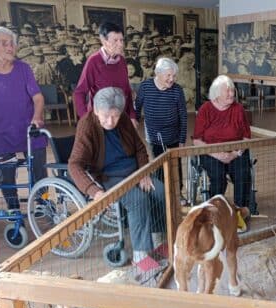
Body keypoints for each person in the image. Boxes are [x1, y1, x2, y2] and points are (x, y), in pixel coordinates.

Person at [68, 87, 166, 271]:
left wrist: (144, 172)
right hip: (108, 176)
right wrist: (93, 190)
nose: (110, 121)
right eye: (105, 116)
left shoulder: (123, 122)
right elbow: (74, 164)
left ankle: (158, 239)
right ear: (96, 110)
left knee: (160, 191)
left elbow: (139, 148)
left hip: (134, 171)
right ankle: (140, 254)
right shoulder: (87, 125)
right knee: (138, 200)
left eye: (115, 116)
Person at [0, 26, 47, 211]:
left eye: (12, 43)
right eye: (4, 43)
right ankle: (13, 207)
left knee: (39, 166)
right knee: (6, 171)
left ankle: (42, 202)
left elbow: (38, 97)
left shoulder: (23, 68)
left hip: (28, 127)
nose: (11, 47)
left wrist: (37, 116)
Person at [193, 75, 251, 232]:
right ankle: (216, 212)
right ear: (217, 93)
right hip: (211, 153)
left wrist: (233, 154)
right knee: (217, 177)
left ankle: (239, 212)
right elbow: (197, 140)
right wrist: (217, 154)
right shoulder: (205, 109)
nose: (232, 94)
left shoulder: (238, 109)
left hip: (236, 151)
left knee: (242, 173)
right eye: (228, 91)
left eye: (233, 90)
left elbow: (246, 137)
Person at [135, 57, 187, 203]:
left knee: (176, 167)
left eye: (174, 76)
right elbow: (137, 108)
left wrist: (182, 140)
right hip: (154, 137)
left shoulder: (177, 90)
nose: (172, 79)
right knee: (159, 167)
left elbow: (183, 116)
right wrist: (133, 122)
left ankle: (178, 194)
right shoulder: (145, 87)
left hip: (174, 136)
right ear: (158, 73)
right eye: (168, 75)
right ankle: (162, 196)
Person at [74, 22, 138, 128]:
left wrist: (132, 116)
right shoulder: (94, 61)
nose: (120, 44)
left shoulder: (122, 61)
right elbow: (79, 93)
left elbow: (127, 91)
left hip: (120, 118)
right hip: (101, 120)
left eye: (121, 40)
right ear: (104, 41)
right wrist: (86, 120)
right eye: (115, 40)